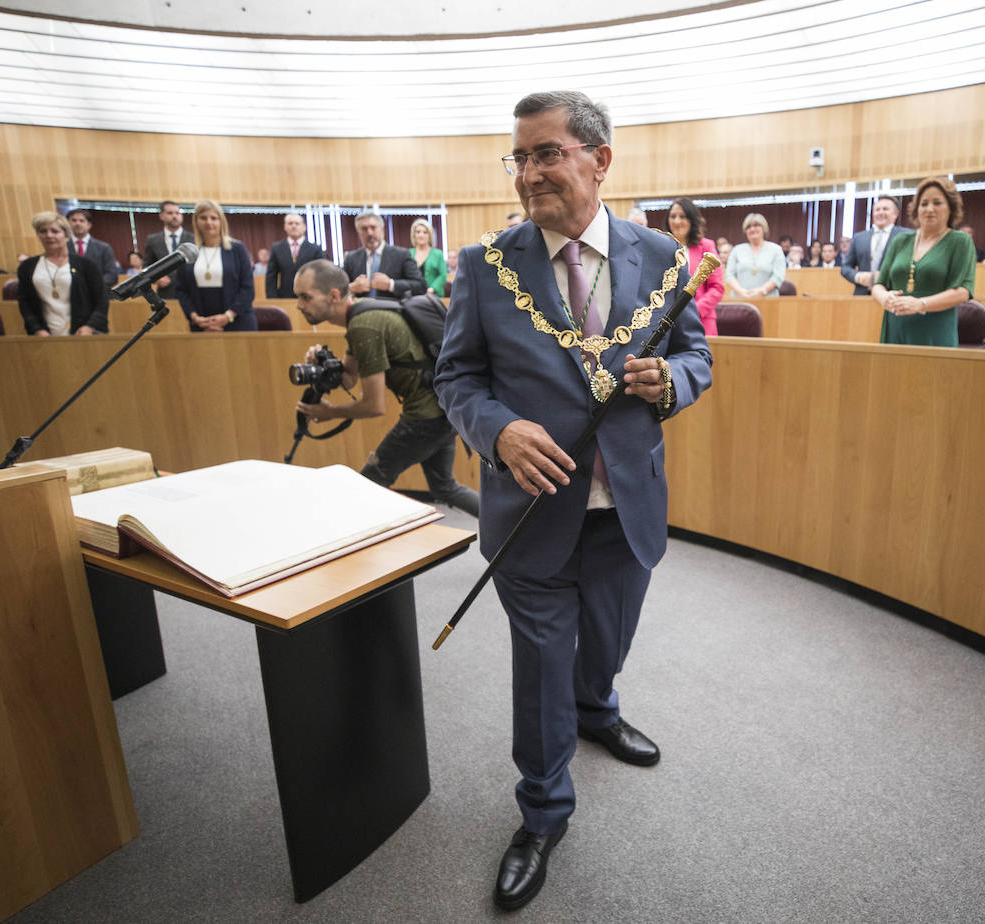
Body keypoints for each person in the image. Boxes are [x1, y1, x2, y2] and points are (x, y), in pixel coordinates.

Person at [434, 90, 712, 912]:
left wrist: (672, 382)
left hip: (626, 504)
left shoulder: (660, 256)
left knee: (607, 640)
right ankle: (544, 811)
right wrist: (497, 432)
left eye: (546, 153)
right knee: (542, 666)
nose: (528, 174)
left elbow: (694, 353)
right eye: (519, 157)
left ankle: (601, 706)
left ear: (600, 159)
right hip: (528, 513)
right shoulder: (484, 267)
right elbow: (455, 378)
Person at [292, 259, 478, 515]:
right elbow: (348, 378)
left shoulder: (363, 326)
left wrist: (330, 412)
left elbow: (374, 406)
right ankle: (511, 529)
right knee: (445, 487)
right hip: (444, 410)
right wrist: (322, 363)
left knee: (368, 484)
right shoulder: (363, 312)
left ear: (333, 295)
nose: (299, 305)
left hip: (426, 418)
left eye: (305, 297)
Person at [872, 176, 976, 347]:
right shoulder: (900, 241)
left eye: (937, 203)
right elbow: (879, 284)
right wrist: (884, 298)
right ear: (916, 209)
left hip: (935, 330)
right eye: (924, 203)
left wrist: (921, 304)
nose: (929, 209)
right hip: (895, 327)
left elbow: (962, 292)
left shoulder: (960, 241)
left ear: (951, 207)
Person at [16, 210, 108, 336]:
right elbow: (24, 302)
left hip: (83, 334)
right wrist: (37, 329)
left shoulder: (86, 264)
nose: (49, 235)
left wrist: (89, 326)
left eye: (55, 231)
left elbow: (101, 300)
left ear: (66, 235)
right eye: (43, 231)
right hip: (45, 335)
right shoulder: (27, 267)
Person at [172, 199, 258, 332]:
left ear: (221, 221)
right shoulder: (188, 251)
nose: (209, 222)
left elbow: (248, 288)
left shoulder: (237, 249)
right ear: (196, 221)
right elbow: (181, 290)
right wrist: (195, 318)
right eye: (203, 218)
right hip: (201, 324)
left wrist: (228, 316)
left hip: (237, 321)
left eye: (213, 218)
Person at [665, 195, 722, 335]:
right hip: (668, 326)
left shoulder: (707, 246)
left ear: (692, 220)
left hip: (701, 320)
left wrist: (694, 310)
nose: (677, 221)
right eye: (673, 216)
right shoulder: (662, 247)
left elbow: (717, 288)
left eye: (682, 216)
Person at [343, 212, 424, 301]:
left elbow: (420, 286)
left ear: (382, 230)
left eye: (373, 228)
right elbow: (337, 288)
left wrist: (390, 284)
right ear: (359, 233)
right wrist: (351, 287)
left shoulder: (401, 254)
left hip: (392, 309)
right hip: (359, 310)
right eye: (364, 229)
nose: (369, 233)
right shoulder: (351, 258)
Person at [839, 195, 906, 296]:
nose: (880, 212)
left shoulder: (906, 236)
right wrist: (858, 276)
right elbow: (845, 267)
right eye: (877, 209)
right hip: (862, 296)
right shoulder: (859, 238)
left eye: (885, 209)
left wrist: (886, 276)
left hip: (893, 295)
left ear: (895, 214)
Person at [265, 212, 325, 298]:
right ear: (285, 227)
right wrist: (271, 298)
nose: (294, 226)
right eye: (290, 223)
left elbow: (320, 275)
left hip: (309, 296)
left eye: (297, 223)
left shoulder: (315, 249)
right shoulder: (276, 248)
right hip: (284, 297)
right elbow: (271, 276)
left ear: (304, 227)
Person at [725, 213, 785, 297]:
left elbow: (778, 276)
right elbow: (729, 275)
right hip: (740, 299)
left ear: (764, 228)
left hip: (768, 299)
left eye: (756, 225)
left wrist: (762, 290)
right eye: (748, 227)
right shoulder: (737, 250)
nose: (752, 229)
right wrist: (740, 291)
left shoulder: (776, 249)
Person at [144, 200, 192, 299]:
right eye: (170, 213)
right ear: (161, 216)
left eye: (177, 213)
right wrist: (156, 279)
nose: (174, 216)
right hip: (166, 295)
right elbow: (147, 267)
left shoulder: (194, 239)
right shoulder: (152, 240)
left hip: (191, 294)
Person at [66, 209, 121, 288]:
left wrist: (91, 286)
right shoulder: (62, 248)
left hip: (97, 295)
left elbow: (112, 276)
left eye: (81, 221)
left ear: (89, 225)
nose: (77, 223)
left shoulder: (104, 248)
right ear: (68, 224)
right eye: (74, 220)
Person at [409, 218, 448, 295]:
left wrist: (432, 289)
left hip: (434, 297)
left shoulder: (438, 254)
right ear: (414, 235)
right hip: (413, 296)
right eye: (418, 232)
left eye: (425, 232)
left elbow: (443, 276)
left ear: (430, 235)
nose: (421, 235)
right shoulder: (408, 253)